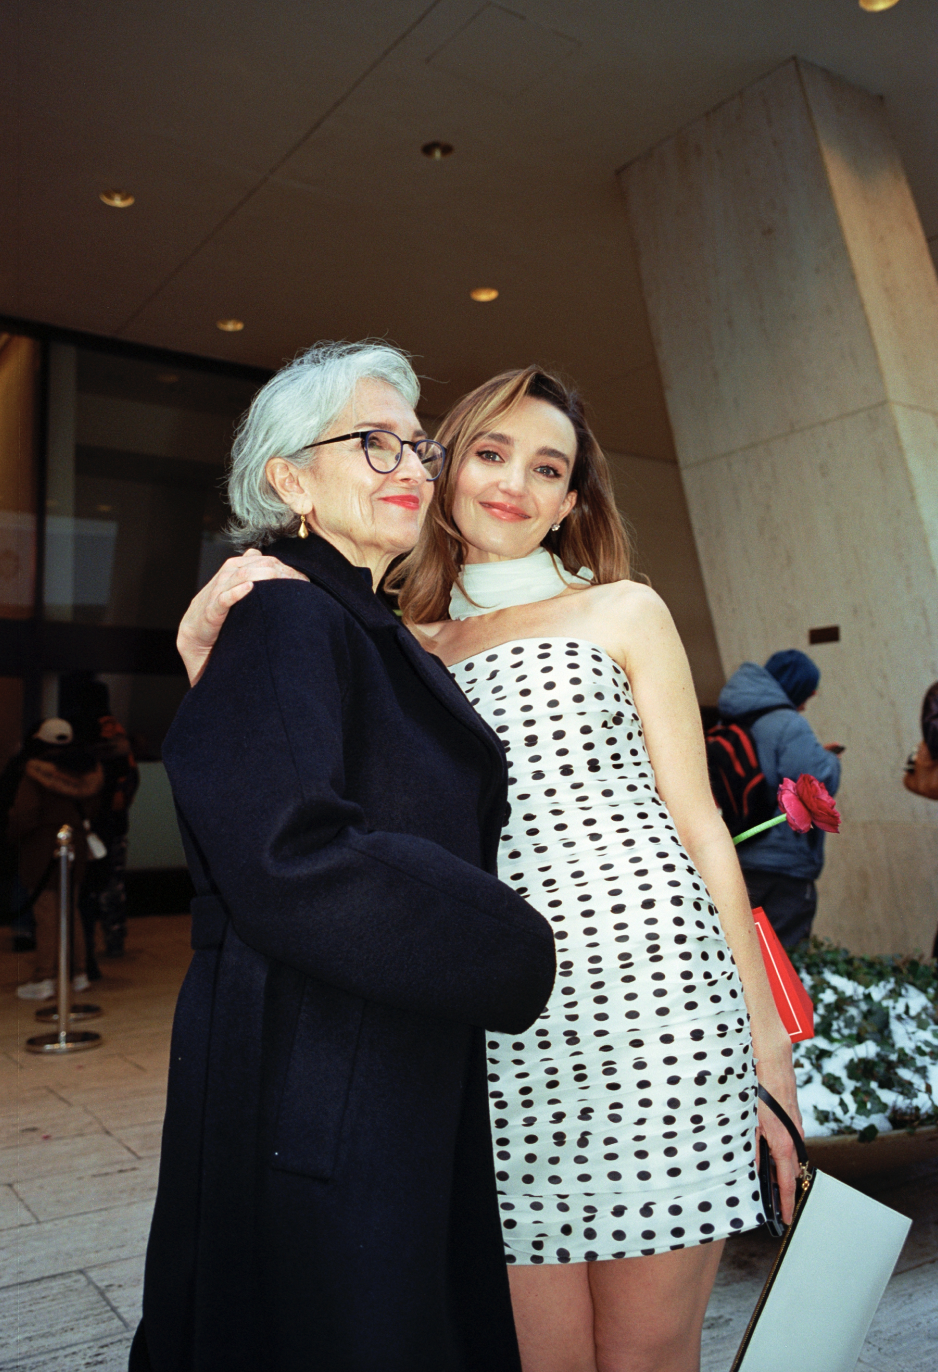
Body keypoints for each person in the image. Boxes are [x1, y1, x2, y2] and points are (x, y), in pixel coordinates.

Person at [182, 363, 800, 1372]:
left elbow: (698, 828)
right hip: (488, 1025)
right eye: (488, 451)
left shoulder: (623, 611)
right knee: (526, 1350)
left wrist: (765, 1044)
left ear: (569, 502)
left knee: (645, 1350)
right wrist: (199, 642)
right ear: (444, 466)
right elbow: (285, 784)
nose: (514, 482)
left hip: (656, 1008)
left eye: (546, 467)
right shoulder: (393, 641)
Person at [131, 343, 556, 1372]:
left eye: (416, 442)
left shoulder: (360, 623)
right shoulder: (282, 610)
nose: (411, 463)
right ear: (290, 480)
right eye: (373, 443)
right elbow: (294, 854)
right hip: (317, 1070)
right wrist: (513, 944)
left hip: (376, 1049)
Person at [718, 650, 842, 950]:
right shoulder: (788, 723)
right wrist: (829, 759)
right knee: (782, 961)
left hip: (738, 858)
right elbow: (814, 786)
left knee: (742, 955)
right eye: (807, 694)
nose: (804, 705)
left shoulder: (731, 717)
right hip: (781, 864)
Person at [9, 718, 103, 999]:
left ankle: (45, 977)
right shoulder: (88, 772)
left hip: (43, 852)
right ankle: (79, 973)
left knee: (47, 916)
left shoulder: (35, 773)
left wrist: (12, 835)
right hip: (76, 849)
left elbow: (24, 815)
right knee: (71, 912)